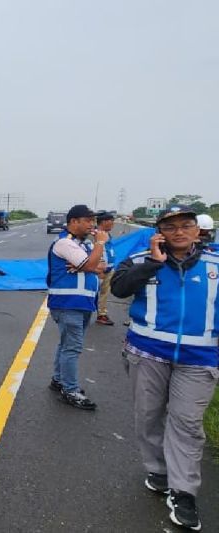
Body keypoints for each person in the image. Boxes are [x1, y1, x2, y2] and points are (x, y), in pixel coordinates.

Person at [111, 205, 218, 531]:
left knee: (186, 424)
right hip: (148, 354)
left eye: (186, 226)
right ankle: (157, 469)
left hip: (199, 360)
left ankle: (184, 492)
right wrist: (154, 265)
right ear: (160, 232)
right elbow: (119, 287)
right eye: (170, 227)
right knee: (148, 416)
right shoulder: (143, 260)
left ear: (198, 230)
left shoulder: (216, 265)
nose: (179, 232)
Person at [46, 204, 107, 410]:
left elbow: (101, 268)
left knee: (66, 344)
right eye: (88, 220)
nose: (92, 224)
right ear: (74, 222)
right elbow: (91, 266)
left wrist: (88, 263)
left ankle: (59, 379)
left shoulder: (84, 246)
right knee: (72, 347)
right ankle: (70, 390)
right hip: (68, 303)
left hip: (83, 303)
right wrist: (98, 245)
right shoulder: (65, 243)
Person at [94, 212, 117, 326]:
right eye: (111, 221)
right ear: (103, 222)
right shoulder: (95, 235)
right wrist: (100, 267)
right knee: (95, 292)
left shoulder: (108, 234)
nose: (113, 223)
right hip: (99, 271)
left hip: (109, 269)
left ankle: (102, 314)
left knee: (104, 293)